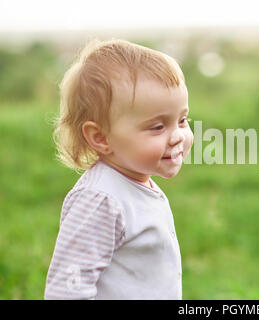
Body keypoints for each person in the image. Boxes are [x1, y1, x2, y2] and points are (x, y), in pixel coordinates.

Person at [44, 38, 194, 299]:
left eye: (182, 120)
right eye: (157, 127)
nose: (177, 136)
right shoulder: (101, 200)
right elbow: (67, 288)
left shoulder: (134, 183)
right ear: (101, 137)